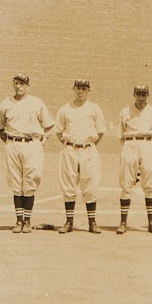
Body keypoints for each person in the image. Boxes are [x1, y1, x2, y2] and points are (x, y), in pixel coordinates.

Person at [0, 72, 53, 234]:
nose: (19, 86)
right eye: (16, 83)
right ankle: (19, 220)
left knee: (30, 180)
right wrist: (9, 142)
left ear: (28, 86)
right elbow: (0, 128)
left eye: (22, 84)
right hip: (13, 144)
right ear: (13, 84)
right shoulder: (5, 103)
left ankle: (27, 221)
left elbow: (48, 125)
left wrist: (41, 142)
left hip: (32, 145)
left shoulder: (36, 102)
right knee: (16, 182)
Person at [54, 78, 106, 234]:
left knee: (90, 185)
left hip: (88, 150)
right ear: (73, 89)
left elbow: (100, 131)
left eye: (84, 89)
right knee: (68, 185)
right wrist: (69, 144)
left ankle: (92, 223)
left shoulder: (94, 109)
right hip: (70, 149)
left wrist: (89, 145)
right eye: (78, 88)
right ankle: (69, 222)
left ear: (88, 91)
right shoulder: (65, 109)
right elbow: (58, 131)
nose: (81, 92)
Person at [117, 84, 152, 234]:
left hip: (148, 144)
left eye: (144, 95)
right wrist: (131, 146)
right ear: (134, 95)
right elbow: (120, 134)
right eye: (139, 94)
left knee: (149, 183)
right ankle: (123, 223)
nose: (141, 98)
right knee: (126, 183)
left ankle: (151, 222)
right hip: (130, 144)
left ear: (147, 96)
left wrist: (145, 144)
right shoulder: (125, 111)